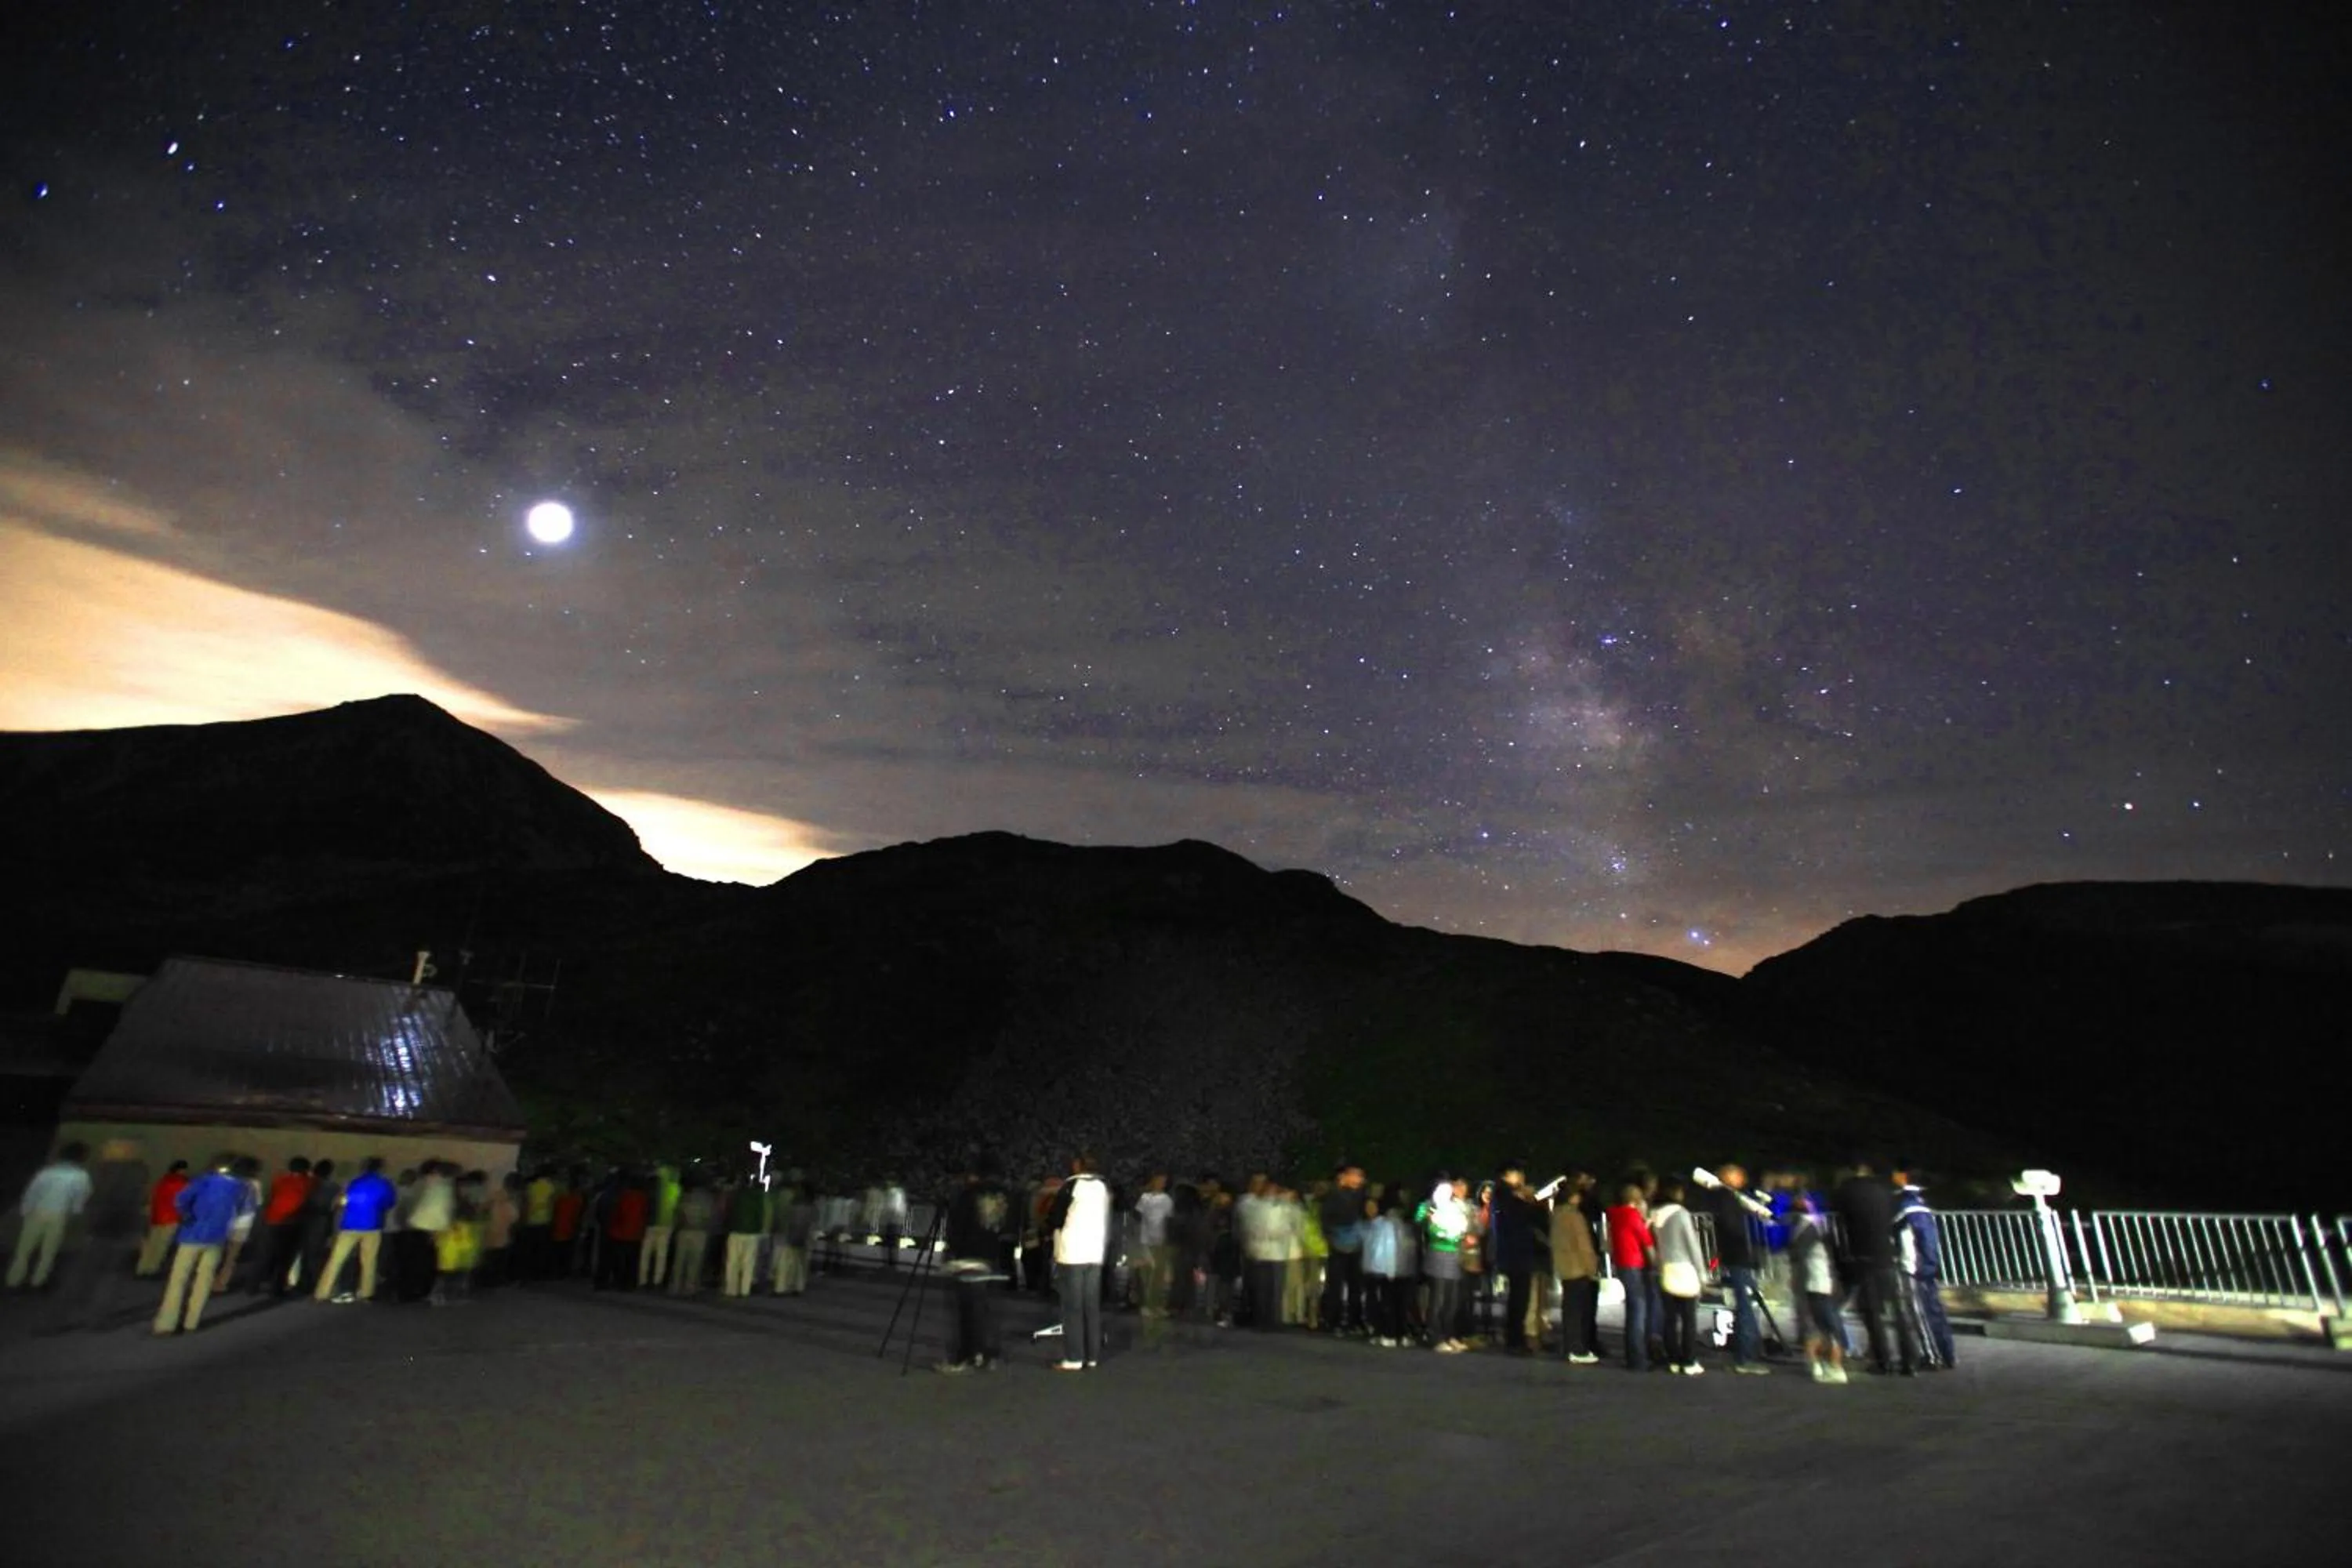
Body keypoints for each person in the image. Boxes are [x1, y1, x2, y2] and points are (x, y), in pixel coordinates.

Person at [1832, 1161, 1918, 1375]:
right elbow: (1898, 1223)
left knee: (1872, 1312)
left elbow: (1840, 1225)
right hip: (1887, 1255)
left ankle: (1883, 1360)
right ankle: (1909, 1360)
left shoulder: (1846, 1192)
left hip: (1863, 1257)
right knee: (1898, 1311)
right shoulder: (1885, 1191)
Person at [154, 1153, 252, 1335]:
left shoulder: (204, 1181)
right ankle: (192, 1322)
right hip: (218, 1237)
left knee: (179, 1279)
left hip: (193, 1234)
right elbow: (240, 1211)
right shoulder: (243, 1188)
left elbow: (181, 1200)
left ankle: (167, 1323)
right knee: (204, 1280)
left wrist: (187, 1215)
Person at [938, 1159, 1013, 1373]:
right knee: (986, 1312)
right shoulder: (1003, 1196)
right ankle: (987, 1354)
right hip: (992, 1257)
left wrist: (951, 1252)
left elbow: (957, 1227)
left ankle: (964, 1357)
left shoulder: (968, 1195)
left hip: (968, 1257)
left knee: (966, 1312)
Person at [1700, 1163, 1773, 1374]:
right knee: (1746, 1307)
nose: (1743, 1179)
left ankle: (1747, 1354)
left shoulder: (1724, 1198)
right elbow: (1732, 1228)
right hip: (1738, 1258)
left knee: (1746, 1306)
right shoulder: (1727, 1198)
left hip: (1736, 1257)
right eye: (1739, 1175)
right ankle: (1745, 1357)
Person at [1047, 1150, 1111, 1370]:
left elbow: (1055, 1218)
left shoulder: (1071, 1186)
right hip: (1095, 1252)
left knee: (1072, 1307)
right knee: (1091, 1307)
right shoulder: (1102, 1187)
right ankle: (1092, 1356)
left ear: (1078, 1165)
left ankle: (1074, 1357)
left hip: (1072, 1252)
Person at [1893, 1166, 1957, 1370]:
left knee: (1920, 1312)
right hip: (1924, 1265)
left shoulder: (1906, 1204)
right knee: (1934, 1310)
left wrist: (1923, 1266)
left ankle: (1932, 1356)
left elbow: (1914, 1237)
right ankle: (1947, 1354)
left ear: (1903, 1176)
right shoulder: (1920, 1202)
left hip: (1914, 1267)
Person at [9, 1141, 93, 1290]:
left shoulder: (46, 1173)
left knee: (24, 1249)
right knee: (48, 1251)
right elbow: (81, 1197)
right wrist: (75, 1211)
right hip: (59, 1214)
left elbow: (32, 1192)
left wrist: (25, 1210)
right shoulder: (81, 1176)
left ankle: (14, 1279)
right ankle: (38, 1281)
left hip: (37, 1212)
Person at [314, 1157, 398, 1303]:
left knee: (336, 1259)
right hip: (373, 1225)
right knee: (369, 1261)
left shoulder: (354, 1182)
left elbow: (343, 1201)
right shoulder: (385, 1184)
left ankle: (322, 1292)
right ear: (381, 1168)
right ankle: (366, 1293)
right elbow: (390, 1203)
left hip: (349, 1224)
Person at [1787, 1192, 1848, 1384]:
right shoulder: (1821, 1225)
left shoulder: (1806, 1228)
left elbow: (1798, 1254)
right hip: (1824, 1283)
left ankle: (1822, 1364)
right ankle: (1830, 1365)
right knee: (1829, 1327)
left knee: (1821, 1326)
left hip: (1816, 1284)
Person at [1651, 1177, 1707, 1375]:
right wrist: (1702, 1273)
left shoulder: (1655, 1214)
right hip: (1684, 1269)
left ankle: (1673, 1359)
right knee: (1689, 1318)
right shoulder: (1681, 1214)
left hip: (1666, 1268)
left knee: (1670, 1318)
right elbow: (1692, 1245)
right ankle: (1689, 1360)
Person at [1489, 1163, 1544, 1354]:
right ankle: (1514, 1339)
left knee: (1520, 1297)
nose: (1521, 1177)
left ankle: (1516, 1338)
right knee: (1518, 1298)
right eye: (1517, 1173)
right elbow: (1520, 1217)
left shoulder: (1509, 1195)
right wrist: (1528, 1200)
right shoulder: (1505, 1195)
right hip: (1515, 1251)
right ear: (1506, 1175)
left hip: (1518, 1251)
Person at [1550, 1171, 1602, 1364]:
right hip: (1579, 1266)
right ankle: (1577, 1348)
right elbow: (1584, 1245)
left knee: (1569, 1309)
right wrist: (1592, 1267)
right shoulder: (1575, 1216)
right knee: (1579, 1311)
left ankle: (1570, 1346)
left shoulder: (1556, 1215)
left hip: (1564, 1266)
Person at [1604, 1183, 1656, 1372]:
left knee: (1632, 1309)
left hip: (1622, 1263)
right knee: (1638, 1311)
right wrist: (1655, 1263)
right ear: (1637, 1200)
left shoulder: (1616, 1214)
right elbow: (1646, 1240)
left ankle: (1631, 1355)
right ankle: (1638, 1359)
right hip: (1634, 1263)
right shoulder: (1632, 1215)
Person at [1317, 1165, 1370, 1336]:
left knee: (1355, 1285)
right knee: (1336, 1284)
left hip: (1354, 1243)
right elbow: (1327, 1219)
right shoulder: (1333, 1196)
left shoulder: (1360, 1195)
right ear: (1344, 1176)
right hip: (1340, 1243)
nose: (1360, 1180)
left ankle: (1353, 1320)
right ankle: (1333, 1320)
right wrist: (1333, 1235)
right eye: (1356, 1176)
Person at [1419, 1177, 1471, 1352]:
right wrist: (1450, 1234)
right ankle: (1435, 1337)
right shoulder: (1430, 1207)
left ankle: (1449, 1335)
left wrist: (1459, 1233)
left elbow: (1464, 1226)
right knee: (1438, 1299)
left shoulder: (1457, 1207)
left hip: (1455, 1256)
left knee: (1452, 1300)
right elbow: (1428, 1226)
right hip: (1438, 1255)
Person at [250, 1156, 314, 1296]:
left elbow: (270, 1197)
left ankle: (253, 1285)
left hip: (273, 1220)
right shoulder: (307, 1183)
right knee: (285, 1258)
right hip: (292, 1223)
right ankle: (276, 1288)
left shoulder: (280, 1179)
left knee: (265, 1254)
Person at [136, 1160, 191, 1277]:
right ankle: (152, 1269)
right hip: (171, 1218)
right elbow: (183, 1202)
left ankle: (142, 1268)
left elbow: (153, 1198)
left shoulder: (162, 1182)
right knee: (161, 1246)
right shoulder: (182, 1184)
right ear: (181, 1170)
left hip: (157, 1217)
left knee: (152, 1244)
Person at [1133, 1173, 1174, 1319]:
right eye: (1159, 1180)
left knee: (1159, 1275)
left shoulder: (1167, 1200)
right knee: (1148, 1273)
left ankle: (1157, 1305)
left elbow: (1169, 1219)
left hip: (1161, 1241)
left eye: (1163, 1181)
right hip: (1146, 1240)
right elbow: (1138, 1215)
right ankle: (1146, 1305)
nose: (1161, 1183)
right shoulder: (1145, 1198)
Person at [722, 1171, 768, 1296]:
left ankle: (731, 1289)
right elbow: (761, 1215)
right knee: (749, 1262)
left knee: (733, 1262)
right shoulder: (758, 1196)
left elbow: (727, 1212)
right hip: (752, 1233)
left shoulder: (735, 1196)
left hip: (736, 1231)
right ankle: (745, 1289)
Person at [670, 1178, 716, 1294]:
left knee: (679, 1260)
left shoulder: (685, 1196)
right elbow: (709, 1217)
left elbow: (678, 1213)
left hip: (684, 1231)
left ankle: (675, 1285)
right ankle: (690, 1286)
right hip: (700, 1232)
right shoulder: (707, 1198)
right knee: (695, 1262)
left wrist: (677, 1227)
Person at [641, 1162, 681, 1288]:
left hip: (651, 1223)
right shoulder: (675, 1188)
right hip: (666, 1224)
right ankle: (657, 1280)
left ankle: (642, 1279)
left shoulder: (652, 1188)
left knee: (646, 1253)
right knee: (661, 1254)